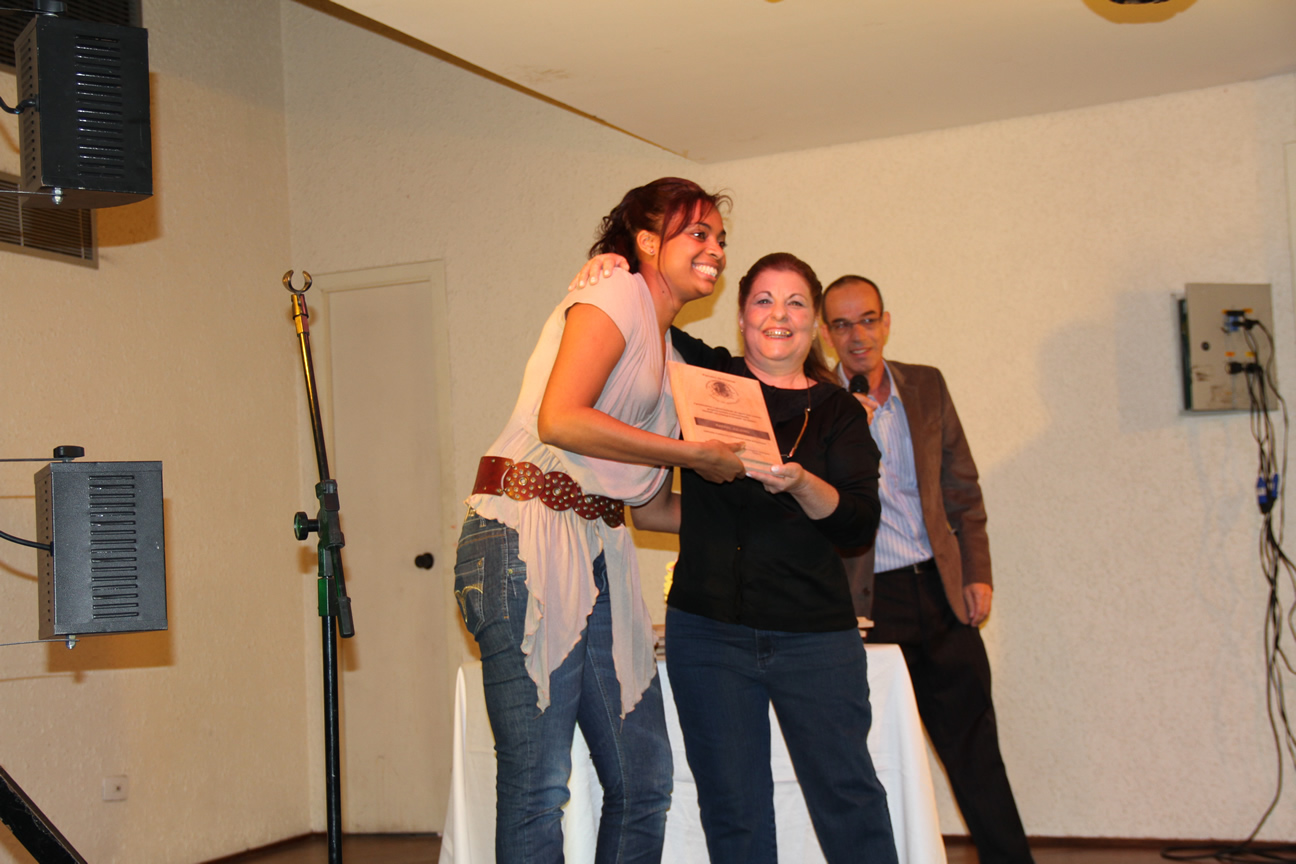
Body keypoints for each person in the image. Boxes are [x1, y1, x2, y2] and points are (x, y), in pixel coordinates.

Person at [453, 177, 746, 864]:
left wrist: (758, 524)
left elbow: (653, 506)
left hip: (599, 546)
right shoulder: (614, 291)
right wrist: (692, 454)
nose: (714, 249)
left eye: (719, 238)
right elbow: (561, 418)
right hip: (521, 536)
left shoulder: (672, 358)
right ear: (646, 241)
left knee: (645, 780)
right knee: (538, 784)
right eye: (696, 232)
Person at [626, 253, 899, 864]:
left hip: (816, 637)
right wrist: (608, 267)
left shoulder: (838, 411)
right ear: (742, 316)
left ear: (815, 323)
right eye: (764, 301)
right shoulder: (704, 376)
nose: (779, 314)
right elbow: (645, 302)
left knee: (849, 798)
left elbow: (859, 524)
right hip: (708, 635)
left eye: (796, 302)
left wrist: (801, 483)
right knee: (733, 812)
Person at [820, 275, 1034, 864]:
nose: (857, 336)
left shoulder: (927, 386)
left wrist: (976, 572)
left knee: (976, 751)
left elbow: (961, 487)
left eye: (867, 320)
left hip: (940, 590)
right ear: (826, 334)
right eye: (842, 324)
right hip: (866, 604)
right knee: (873, 757)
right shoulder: (818, 402)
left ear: (886, 322)